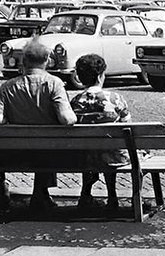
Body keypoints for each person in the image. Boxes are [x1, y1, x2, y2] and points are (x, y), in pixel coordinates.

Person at [0, 40, 79, 211]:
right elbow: (67, 119)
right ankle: (40, 193)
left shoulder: (7, 87)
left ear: (24, 61)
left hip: (12, 154)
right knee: (48, 145)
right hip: (49, 154)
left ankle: (2, 192)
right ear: (47, 60)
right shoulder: (54, 84)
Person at [69, 54, 132, 211]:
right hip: (115, 155)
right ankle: (113, 196)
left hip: (85, 157)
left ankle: (85, 195)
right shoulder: (115, 99)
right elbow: (128, 126)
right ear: (100, 76)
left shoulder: (76, 101)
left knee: (93, 147)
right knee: (112, 147)